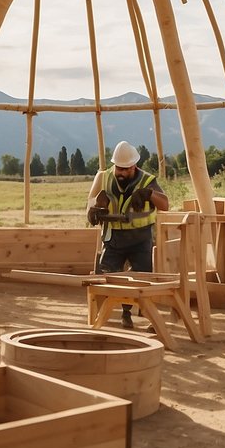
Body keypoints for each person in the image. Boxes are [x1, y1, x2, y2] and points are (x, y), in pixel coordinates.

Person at [85, 141, 169, 329]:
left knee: (143, 279)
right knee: (106, 275)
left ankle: (141, 315)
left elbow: (165, 204)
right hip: (113, 237)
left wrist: (149, 194)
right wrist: (94, 210)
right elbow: (90, 203)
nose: (121, 173)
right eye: (119, 168)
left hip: (141, 238)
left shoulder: (148, 180)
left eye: (126, 169)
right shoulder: (103, 177)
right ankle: (108, 316)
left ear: (134, 166)